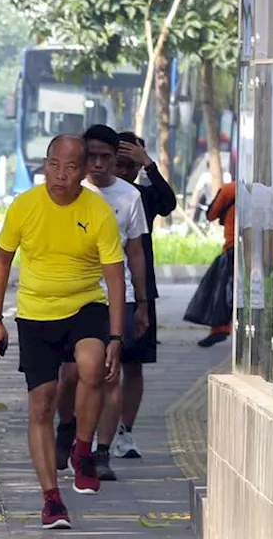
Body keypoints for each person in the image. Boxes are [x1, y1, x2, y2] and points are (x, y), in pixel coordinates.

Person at [0, 134, 126, 530]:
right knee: (41, 406)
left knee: (92, 366)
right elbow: (2, 261)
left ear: (84, 171)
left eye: (71, 168)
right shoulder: (25, 206)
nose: (61, 175)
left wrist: (116, 336)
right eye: (54, 165)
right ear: (45, 164)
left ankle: (83, 450)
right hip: (35, 313)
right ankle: (51, 499)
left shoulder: (97, 210)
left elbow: (115, 278)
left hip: (85, 304)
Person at [54, 125, 149, 482]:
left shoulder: (129, 198)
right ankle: (68, 427)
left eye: (105, 157)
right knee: (71, 375)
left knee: (111, 375)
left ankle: (102, 451)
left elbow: (136, 252)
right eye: (90, 156)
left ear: (116, 159)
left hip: (115, 298)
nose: (97, 163)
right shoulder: (66, 193)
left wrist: (141, 303)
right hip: (72, 297)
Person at [110, 131, 176, 458]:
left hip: (139, 292)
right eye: (117, 163)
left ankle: (124, 431)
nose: (123, 170)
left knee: (132, 365)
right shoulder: (94, 193)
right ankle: (92, 430)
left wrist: (148, 165)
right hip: (100, 292)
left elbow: (168, 203)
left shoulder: (142, 195)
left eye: (129, 164)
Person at [200, 181, 238, 347]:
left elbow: (211, 214)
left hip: (234, 245)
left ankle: (220, 329)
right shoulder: (266, 191)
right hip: (261, 247)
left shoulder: (229, 190)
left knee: (223, 289)